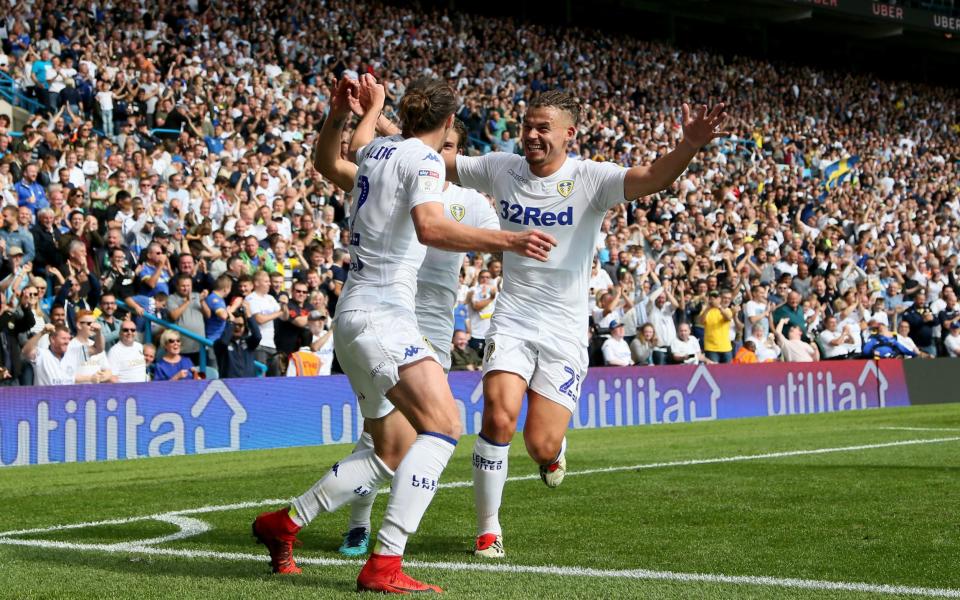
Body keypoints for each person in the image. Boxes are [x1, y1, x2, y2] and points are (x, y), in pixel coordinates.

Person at [251, 77, 554, 593]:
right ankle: (385, 561)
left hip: (355, 316)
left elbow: (337, 157)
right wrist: (510, 239)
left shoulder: (378, 152)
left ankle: (285, 524)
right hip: (385, 316)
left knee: (386, 450)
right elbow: (430, 229)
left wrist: (347, 112)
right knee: (444, 425)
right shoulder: (427, 162)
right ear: (449, 123)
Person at [445, 89, 726, 558]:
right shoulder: (500, 167)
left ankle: (553, 454)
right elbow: (439, 159)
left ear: (568, 134)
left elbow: (654, 177)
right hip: (512, 317)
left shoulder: (590, 178)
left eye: (542, 128)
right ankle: (488, 530)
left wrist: (690, 144)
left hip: (564, 329)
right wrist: (386, 129)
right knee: (497, 417)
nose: (531, 136)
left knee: (539, 443)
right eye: (527, 126)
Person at [214, 304, 261, 378]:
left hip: (248, 383)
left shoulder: (248, 342)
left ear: (244, 327)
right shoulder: (218, 343)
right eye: (234, 324)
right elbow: (223, 342)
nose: (237, 327)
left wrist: (249, 315)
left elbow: (257, 336)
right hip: (229, 384)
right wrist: (230, 322)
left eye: (240, 325)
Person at [107, 318, 148, 382]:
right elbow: (112, 378)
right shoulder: (114, 351)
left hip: (142, 389)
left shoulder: (139, 346)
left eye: (133, 330)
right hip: (125, 391)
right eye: (125, 330)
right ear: (120, 333)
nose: (129, 332)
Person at [700, 290, 733, 363]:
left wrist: (719, 307)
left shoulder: (727, 310)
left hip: (726, 347)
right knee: (713, 372)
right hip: (711, 348)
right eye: (724, 298)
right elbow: (701, 321)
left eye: (729, 298)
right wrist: (708, 308)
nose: (727, 300)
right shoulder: (706, 310)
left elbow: (728, 318)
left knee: (729, 372)